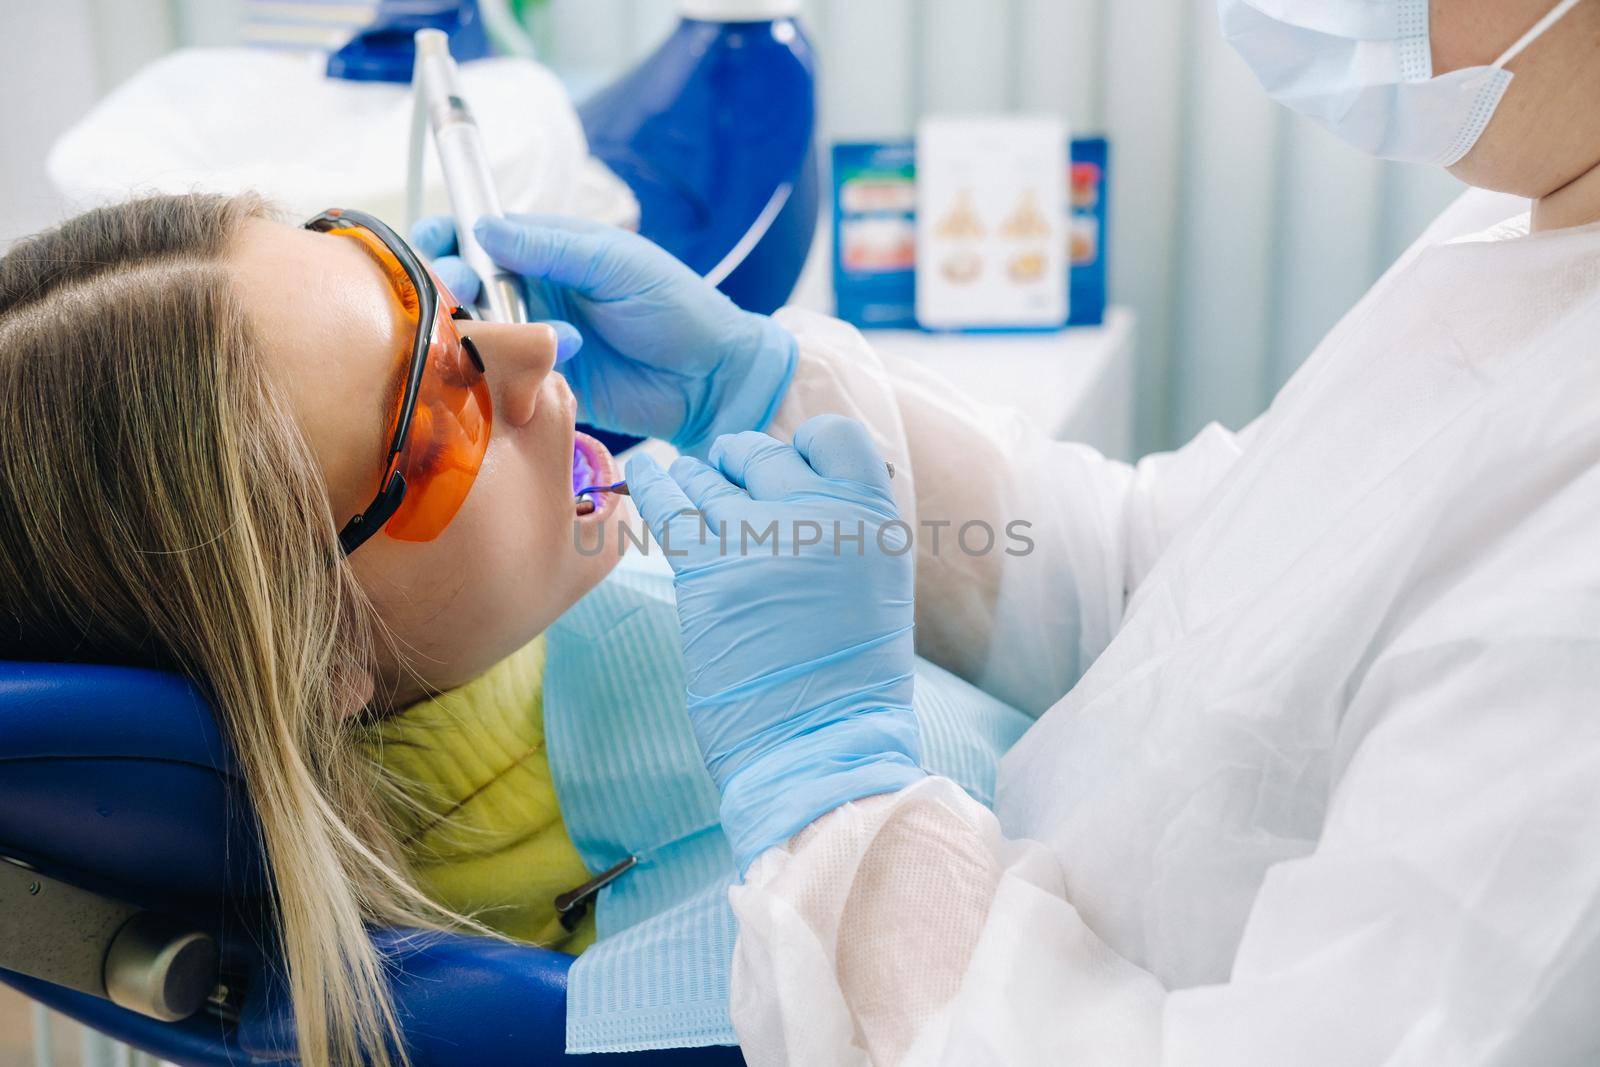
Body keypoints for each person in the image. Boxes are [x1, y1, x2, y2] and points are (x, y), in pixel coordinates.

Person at [411, 0, 1600, 1062]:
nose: (515, 367)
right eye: (412, 433)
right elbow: (1188, 580)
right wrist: (764, 389)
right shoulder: (1536, 220)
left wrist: (836, 809)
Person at [0, 193, 1028, 1063]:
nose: (534, 349)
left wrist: (769, 388)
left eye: (437, 299)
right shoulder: (616, 977)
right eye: (439, 415)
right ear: (322, 658)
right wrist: (827, 784)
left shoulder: (532, 618)